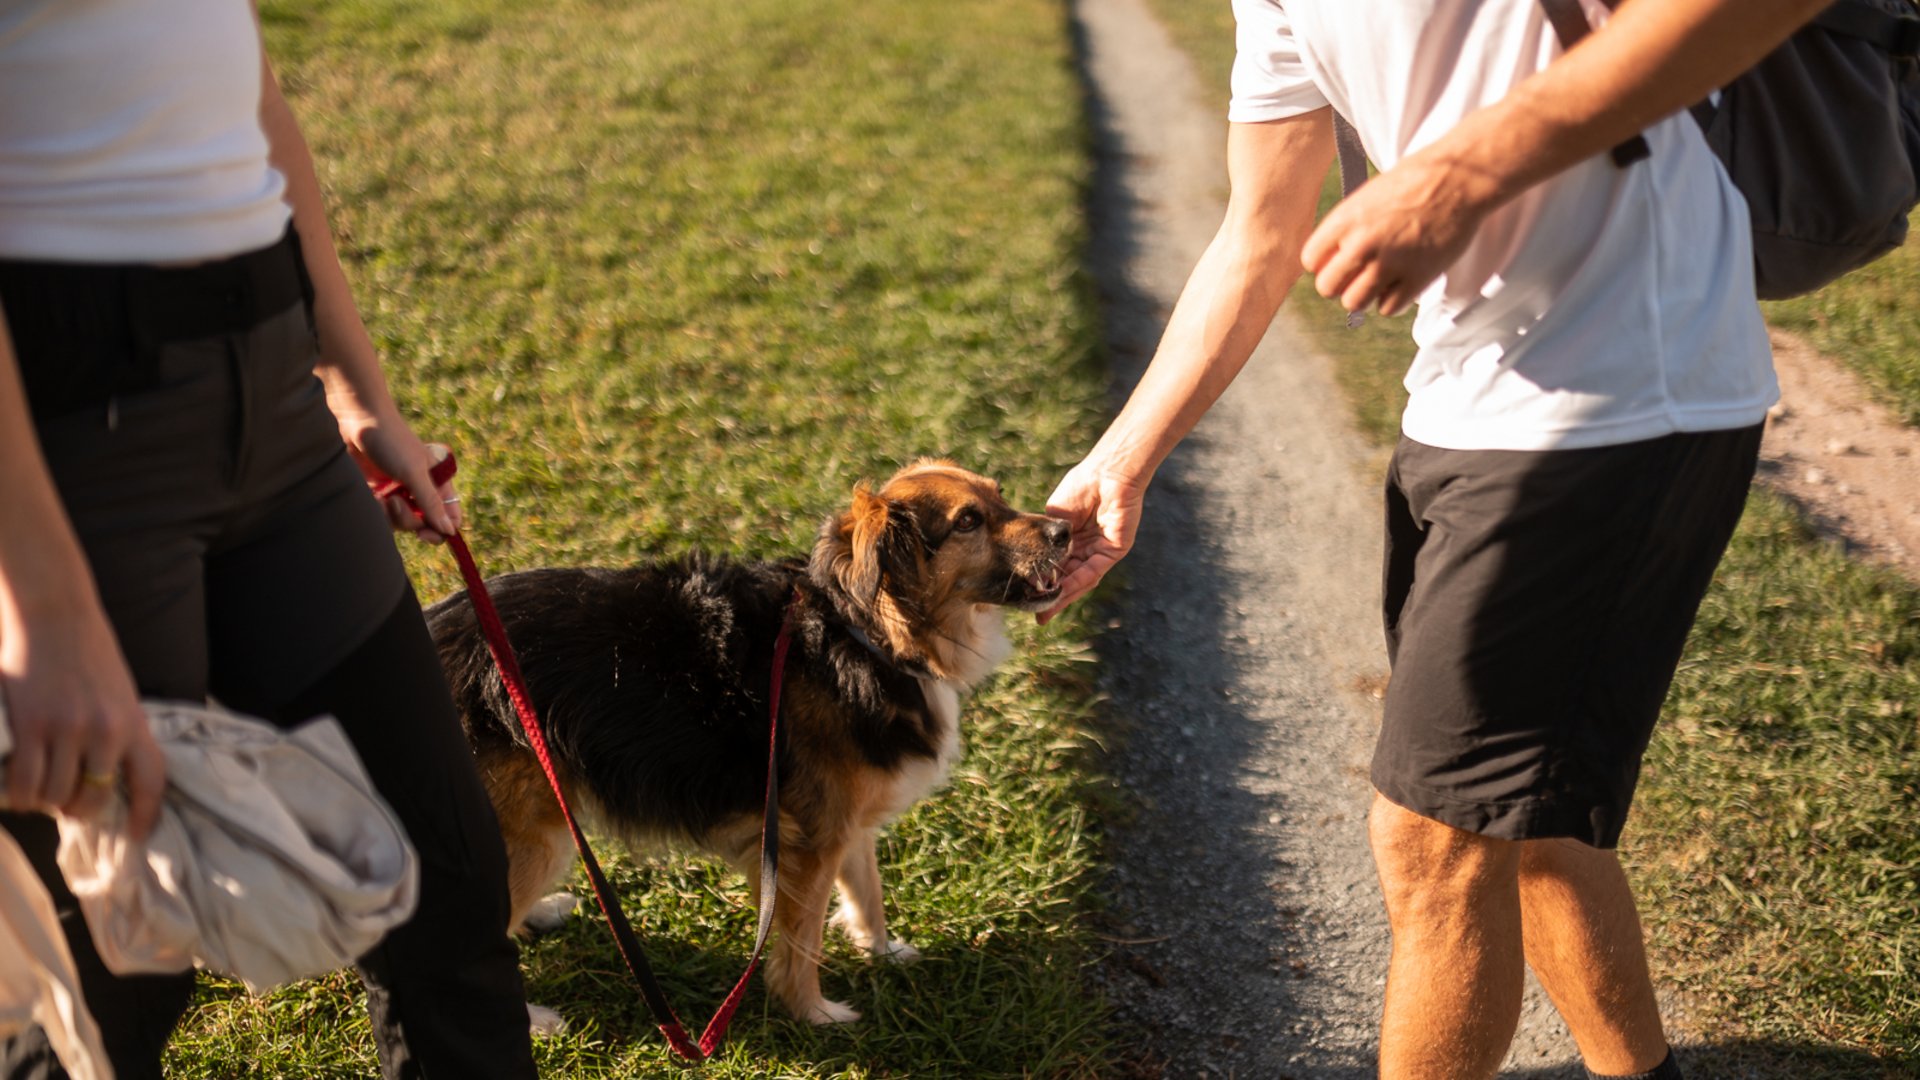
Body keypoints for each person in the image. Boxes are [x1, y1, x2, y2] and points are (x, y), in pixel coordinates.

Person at [1040, 1, 1830, 1077]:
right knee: (1527, 822)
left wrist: (1453, 177)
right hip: (1458, 405)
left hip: (1622, 397)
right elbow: (1260, 229)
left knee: (1434, 838)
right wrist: (1122, 460)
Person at [0, 2, 538, 1077]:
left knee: (442, 882)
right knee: (112, 980)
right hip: (62, 442)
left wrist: (349, 379)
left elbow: (245, 94)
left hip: (275, 405)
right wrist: (39, 610)